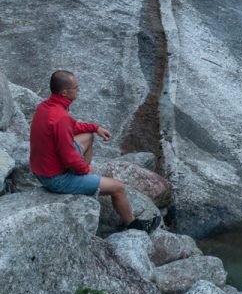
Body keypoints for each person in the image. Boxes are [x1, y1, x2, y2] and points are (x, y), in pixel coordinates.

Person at [29, 70, 161, 233]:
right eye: (76, 88)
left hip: (42, 169)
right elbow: (68, 156)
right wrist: (85, 169)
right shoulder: (60, 117)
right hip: (55, 178)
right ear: (64, 92)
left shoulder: (46, 106)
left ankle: (83, 179)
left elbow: (72, 127)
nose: (79, 90)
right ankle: (133, 225)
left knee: (87, 136)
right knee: (118, 188)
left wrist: (95, 128)